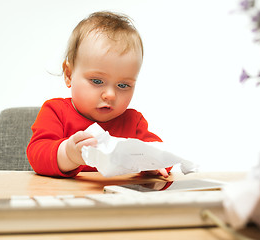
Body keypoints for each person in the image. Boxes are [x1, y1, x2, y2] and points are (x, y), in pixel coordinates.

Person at [27, 11, 171, 178]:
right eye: (97, 81)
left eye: (123, 85)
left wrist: (153, 163)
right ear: (69, 74)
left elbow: (163, 155)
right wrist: (68, 154)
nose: (110, 95)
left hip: (117, 202)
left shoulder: (133, 122)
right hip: (67, 199)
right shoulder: (55, 111)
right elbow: (37, 154)